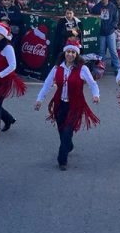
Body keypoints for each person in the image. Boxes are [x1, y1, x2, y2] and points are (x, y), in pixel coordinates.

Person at [34, 39, 100, 171]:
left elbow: (92, 83)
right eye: (68, 51)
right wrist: (39, 99)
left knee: (67, 130)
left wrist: (96, 94)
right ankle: (68, 145)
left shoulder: (83, 69)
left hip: (75, 105)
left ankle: (62, 159)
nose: (70, 54)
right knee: (61, 130)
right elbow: (47, 84)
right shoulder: (57, 68)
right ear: (64, 53)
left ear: (77, 54)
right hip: (59, 104)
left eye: (73, 52)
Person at [0, 22, 26, 134]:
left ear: (3, 35)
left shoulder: (8, 48)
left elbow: (13, 65)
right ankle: (8, 119)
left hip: (2, 81)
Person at [91, 0, 120, 73]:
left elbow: (116, 18)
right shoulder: (96, 7)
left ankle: (117, 68)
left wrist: (113, 26)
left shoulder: (112, 7)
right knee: (101, 52)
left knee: (113, 51)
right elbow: (92, 17)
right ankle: (101, 68)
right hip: (101, 33)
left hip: (110, 32)